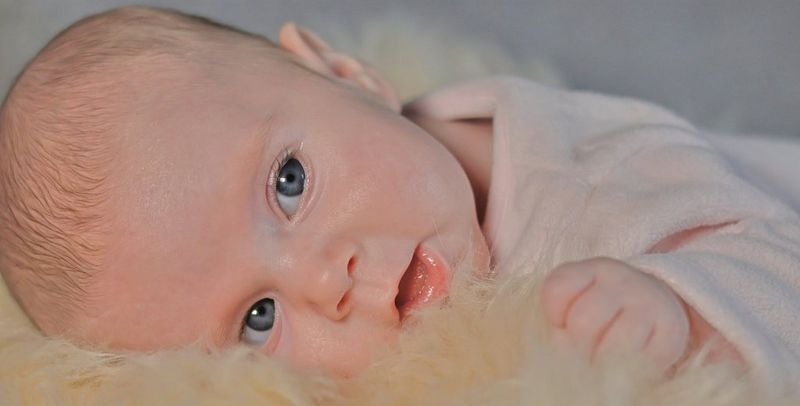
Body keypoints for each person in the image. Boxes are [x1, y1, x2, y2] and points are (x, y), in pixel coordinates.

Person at [1, 6, 798, 383]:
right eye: (257, 319)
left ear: (346, 74)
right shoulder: (408, 370)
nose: (327, 281)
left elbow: (780, 267)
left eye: (289, 184)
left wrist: (678, 313)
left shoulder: (592, 175)